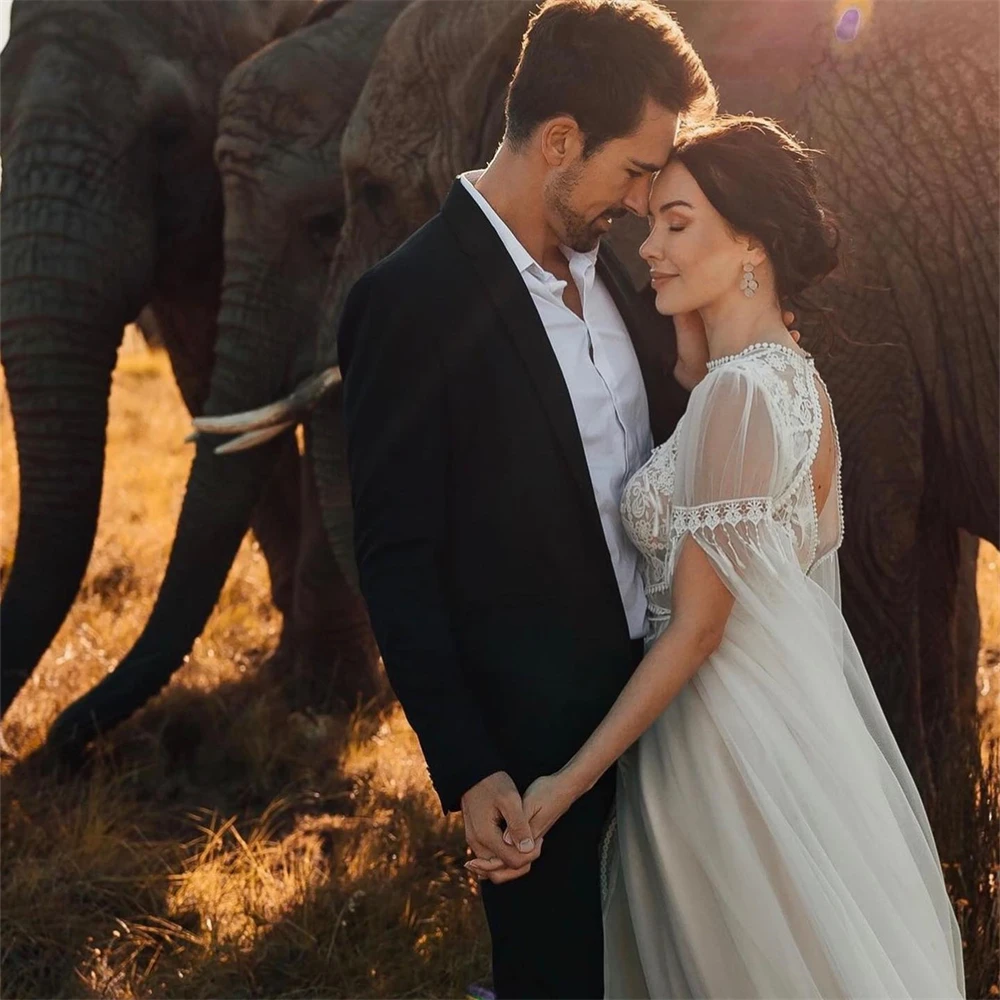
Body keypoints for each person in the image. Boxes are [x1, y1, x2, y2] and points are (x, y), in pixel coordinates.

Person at [516, 115, 966, 997]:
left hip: (718, 754)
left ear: (751, 242)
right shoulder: (797, 381)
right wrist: (695, 351)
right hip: (788, 737)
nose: (650, 247)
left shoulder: (739, 396)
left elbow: (696, 630)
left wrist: (567, 784)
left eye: (678, 224)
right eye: (651, 224)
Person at [338, 1, 718, 995]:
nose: (643, 201)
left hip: (676, 717)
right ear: (558, 141)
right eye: (635, 169)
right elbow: (396, 559)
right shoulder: (406, 303)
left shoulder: (636, 276)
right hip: (537, 761)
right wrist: (468, 767)